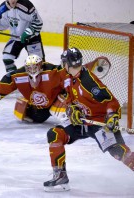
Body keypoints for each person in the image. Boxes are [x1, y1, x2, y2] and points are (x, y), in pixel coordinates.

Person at [43, 47, 134, 192]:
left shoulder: (89, 83)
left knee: (118, 151)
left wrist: (111, 117)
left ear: (68, 63)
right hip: (82, 123)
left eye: (64, 62)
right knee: (54, 134)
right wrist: (71, 108)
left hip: (99, 123)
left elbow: (111, 101)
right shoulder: (67, 76)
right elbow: (70, 98)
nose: (62, 64)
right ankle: (60, 174)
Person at [0, 54, 68, 123]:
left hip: (55, 99)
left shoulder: (52, 71)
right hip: (39, 106)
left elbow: (68, 77)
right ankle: (26, 104)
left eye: (35, 67)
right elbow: (5, 84)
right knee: (35, 118)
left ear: (41, 65)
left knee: (62, 110)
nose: (32, 70)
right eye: (29, 68)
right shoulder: (19, 75)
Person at [0, 0, 45, 76]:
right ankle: (14, 80)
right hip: (15, 38)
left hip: (32, 38)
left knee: (37, 63)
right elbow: (3, 24)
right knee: (7, 58)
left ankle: (41, 83)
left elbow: (38, 22)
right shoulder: (2, 8)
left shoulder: (26, 5)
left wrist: (28, 32)